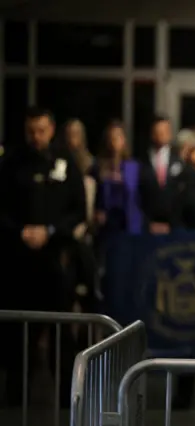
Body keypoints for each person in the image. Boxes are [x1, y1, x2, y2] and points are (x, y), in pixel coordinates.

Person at [0, 107, 87, 407]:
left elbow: (79, 210)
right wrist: (20, 231)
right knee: (17, 337)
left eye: (41, 130)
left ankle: (67, 403)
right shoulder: (11, 162)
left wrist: (51, 231)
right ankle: (13, 402)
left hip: (56, 261)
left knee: (61, 336)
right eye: (30, 131)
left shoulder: (65, 162)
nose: (36, 137)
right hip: (18, 264)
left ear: (51, 130)